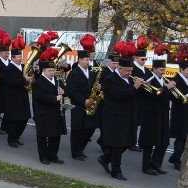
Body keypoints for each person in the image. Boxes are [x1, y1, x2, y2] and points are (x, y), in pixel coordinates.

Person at [98, 42, 144, 180]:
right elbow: (120, 95)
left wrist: (141, 86)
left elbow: (132, 95)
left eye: (131, 71)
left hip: (127, 116)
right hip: (115, 117)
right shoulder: (110, 80)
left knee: (125, 143)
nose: (129, 74)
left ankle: (105, 158)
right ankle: (116, 171)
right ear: (119, 67)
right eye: (127, 71)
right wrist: (135, 88)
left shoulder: (129, 79)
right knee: (118, 145)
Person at [139, 58, 176, 175]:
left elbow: (168, 97)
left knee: (163, 141)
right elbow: (153, 96)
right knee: (149, 141)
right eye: (161, 69)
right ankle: (146, 166)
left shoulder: (165, 80)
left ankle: (156, 164)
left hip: (164, 114)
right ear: (154, 69)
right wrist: (167, 88)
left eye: (164, 69)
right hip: (151, 114)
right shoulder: (147, 80)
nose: (163, 71)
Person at [65, 35, 99, 160]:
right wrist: (83, 100)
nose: (87, 62)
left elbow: (92, 85)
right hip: (79, 106)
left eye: (88, 60)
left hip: (90, 104)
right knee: (77, 130)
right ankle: (76, 152)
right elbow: (70, 91)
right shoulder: (74, 74)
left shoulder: (90, 71)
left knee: (89, 129)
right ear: (79, 60)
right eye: (85, 60)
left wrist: (98, 87)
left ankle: (81, 148)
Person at [32, 48, 67, 164]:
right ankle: (43, 157)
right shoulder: (38, 82)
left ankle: (53, 155)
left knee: (56, 135)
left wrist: (63, 91)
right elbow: (39, 97)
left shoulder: (57, 80)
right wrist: (54, 98)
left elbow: (65, 91)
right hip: (44, 113)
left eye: (53, 70)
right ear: (43, 70)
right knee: (43, 136)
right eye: (49, 70)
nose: (52, 72)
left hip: (57, 112)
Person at [3, 36, 32, 148]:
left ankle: (17, 137)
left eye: (21, 56)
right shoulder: (8, 69)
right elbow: (10, 82)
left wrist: (30, 78)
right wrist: (24, 79)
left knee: (24, 119)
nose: (21, 58)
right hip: (13, 98)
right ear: (13, 57)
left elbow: (28, 77)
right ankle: (11, 139)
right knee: (14, 120)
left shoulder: (24, 66)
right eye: (19, 57)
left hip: (23, 96)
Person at [169, 55, 188, 170]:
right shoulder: (176, 80)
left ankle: (174, 157)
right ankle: (176, 160)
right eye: (187, 70)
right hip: (180, 112)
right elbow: (174, 96)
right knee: (181, 137)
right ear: (181, 70)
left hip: (186, 112)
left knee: (184, 137)